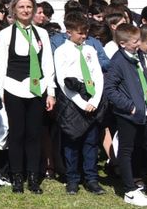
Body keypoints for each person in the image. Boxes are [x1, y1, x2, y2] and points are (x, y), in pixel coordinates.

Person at [0, 0, 55, 194]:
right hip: (13, 87)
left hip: (37, 88)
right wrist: (0, 91)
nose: (25, 10)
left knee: (34, 135)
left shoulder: (42, 34)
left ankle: (33, 177)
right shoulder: (6, 34)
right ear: (14, 10)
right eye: (21, 7)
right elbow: (2, 65)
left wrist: (51, 92)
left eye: (29, 7)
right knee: (17, 134)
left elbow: (47, 63)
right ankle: (17, 177)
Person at [105, 24, 147, 207]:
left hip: (144, 111)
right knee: (126, 150)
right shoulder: (118, 61)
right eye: (135, 41)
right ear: (123, 43)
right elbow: (110, 89)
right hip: (129, 114)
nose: (139, 43)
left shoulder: (137, 56)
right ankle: (130, 191)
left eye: (139, 39)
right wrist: (129, 107)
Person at [53, 14, 105, 195]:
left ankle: (91, 179)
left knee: (91, 142)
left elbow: (98, 75)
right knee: (72, 141)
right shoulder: (61, 51)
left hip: (90, 96)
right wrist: (81, 103)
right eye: (80, 33)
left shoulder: (90, 49)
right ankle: (72, 179)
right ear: (69, 32)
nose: (84, 36)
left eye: (86, 33)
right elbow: (62, 80)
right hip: (72, 99)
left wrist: (94, 100)